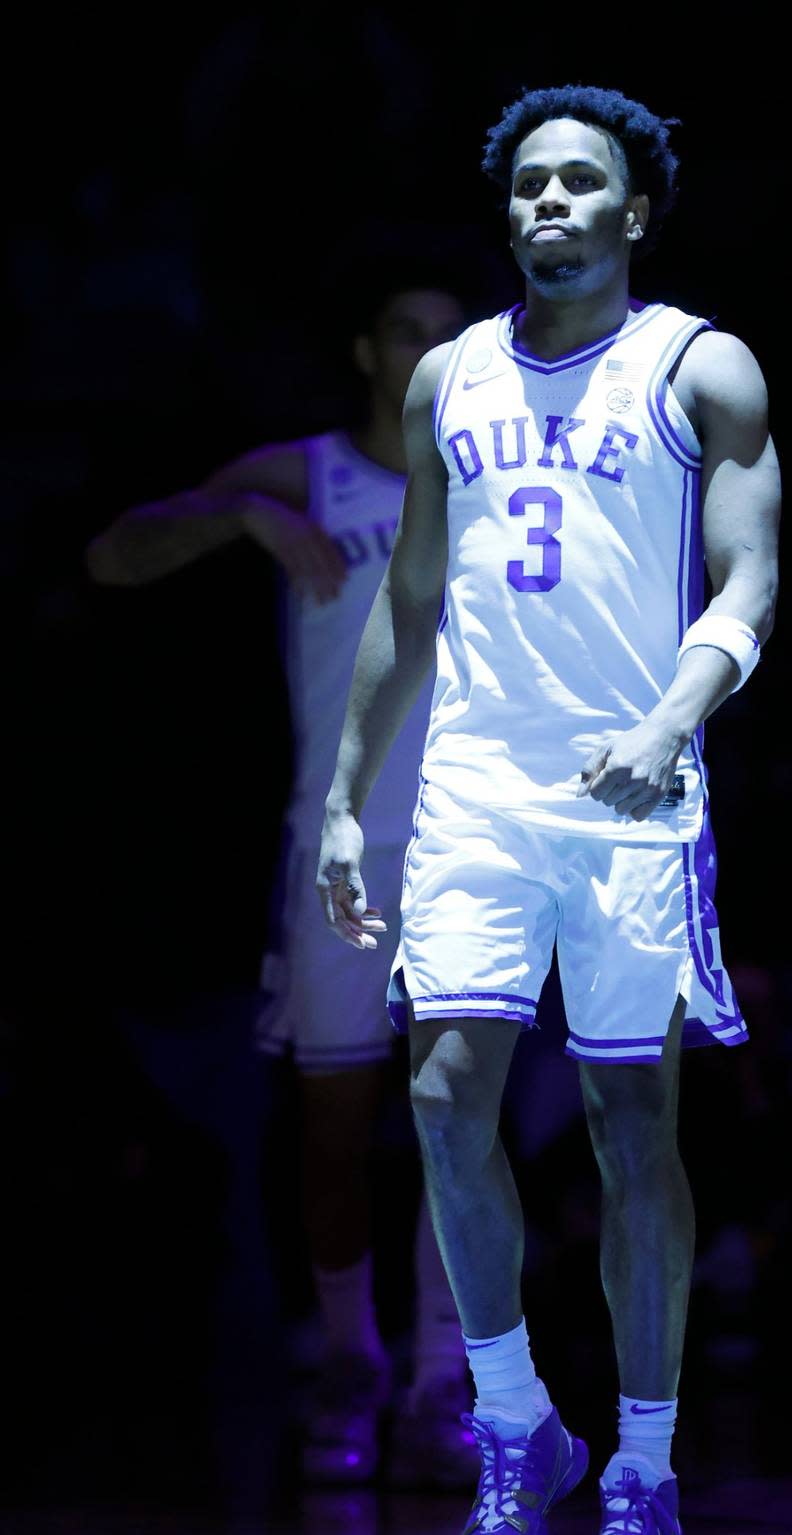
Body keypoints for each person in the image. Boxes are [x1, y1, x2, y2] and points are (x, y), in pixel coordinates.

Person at [316, 85, 780, 1535]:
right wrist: (344, 797)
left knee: (629, 1118)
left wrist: (670, 718)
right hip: (475, 790)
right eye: (527, 187)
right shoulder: (447, 376)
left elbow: (751, 580)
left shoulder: (700, 367)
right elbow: (408, 593)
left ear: (635, 209)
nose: (549, 206)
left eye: (579, 184)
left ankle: (646, 1453)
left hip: (636, 790)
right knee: (447, 1093)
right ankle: (517, 1422)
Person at [85, 265, 477, 1488]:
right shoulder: (310, 471)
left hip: (474, 846)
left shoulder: (503, 479)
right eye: (409, 332)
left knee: (459, 1124)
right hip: (343, 846)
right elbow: (114, 556)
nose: (427, 354)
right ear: (368, 349)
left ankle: (440, 1381)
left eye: (449, 340)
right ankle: (353, 1358)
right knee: (335, 1125)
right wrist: (239, 516)